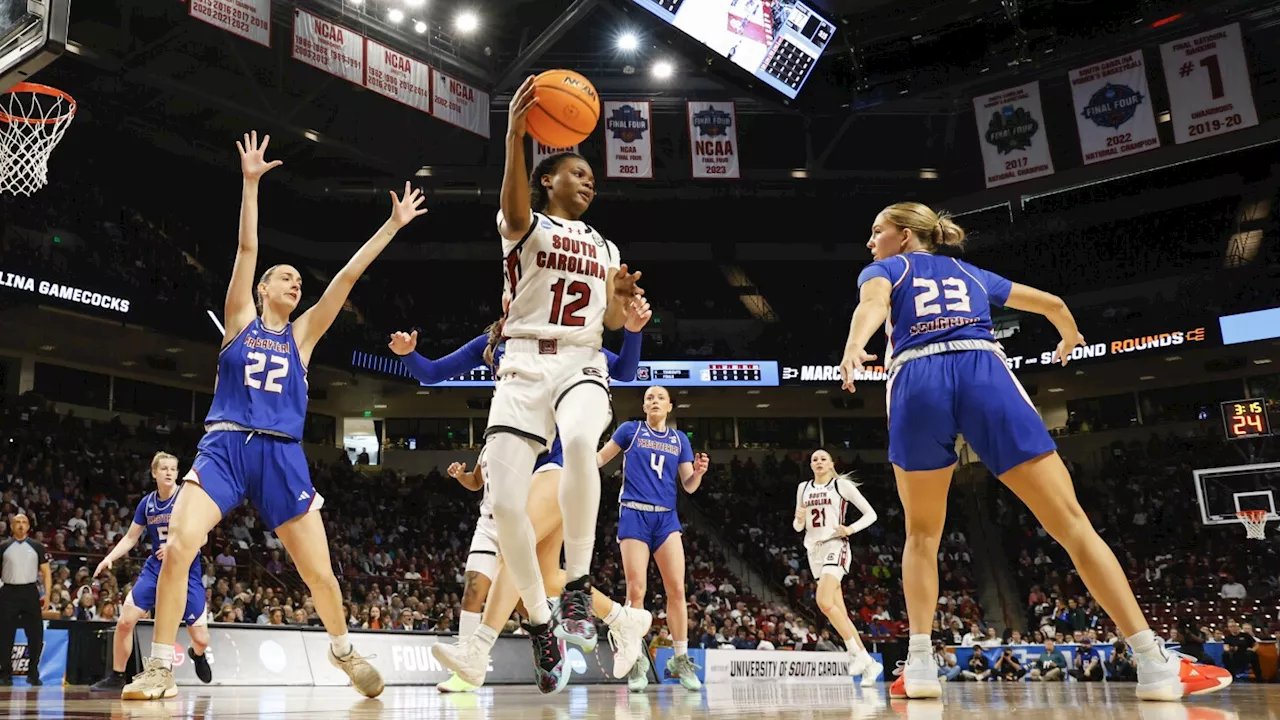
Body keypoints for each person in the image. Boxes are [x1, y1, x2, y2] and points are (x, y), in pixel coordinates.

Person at [838, 201, 1231, 701]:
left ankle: (918, 668)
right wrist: (1068, 337)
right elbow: (1053, 304)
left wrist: (855, 346)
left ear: (906, 236)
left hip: (916, 376)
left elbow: (871, 306)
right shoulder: (972, 272)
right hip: (984, 372)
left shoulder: (885, 269)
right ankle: (1153, 665)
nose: (871, 242)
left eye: (878, 231)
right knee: (1072, 524)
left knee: (921, 535)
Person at [122, 132, 428, 701]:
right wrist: (251, 183)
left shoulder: (303, 337)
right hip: (226, 447)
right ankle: (160, 665)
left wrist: (391, 226)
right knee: (180, 544)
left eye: (297, 281)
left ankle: (342, 649)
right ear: (264, 289)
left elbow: (345, 281)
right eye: (286, 278)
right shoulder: (239, 320)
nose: (296, 283)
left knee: (320, 573)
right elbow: (245, 252)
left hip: (282, 455)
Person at [388, 296, 650, 693]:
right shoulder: (493, 342)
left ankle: (477, 653)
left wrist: (632, 333)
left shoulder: (567, 335)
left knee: (516, 544)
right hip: (515, 462)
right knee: (546, 577)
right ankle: (623, 619)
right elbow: (433, 372)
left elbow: (626, 371)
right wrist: (409, 355)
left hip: (556, 462)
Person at [482, 75, 642, 693]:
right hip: (523, 363)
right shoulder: (524, 224)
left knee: (580, 443)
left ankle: (577, 583)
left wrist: (621, 304)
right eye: (577, 172)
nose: (589, 180)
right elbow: (516, 205)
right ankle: (542, 624)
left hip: (580, 359)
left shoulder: (606, 245)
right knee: (504, 509)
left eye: (592, 177)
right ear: (549, 179)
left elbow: (604, 322)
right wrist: (516, 139)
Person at [595, 386, 711, 691]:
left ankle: (680, 660)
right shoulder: (629, 430)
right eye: (649, 397)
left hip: (666, 517)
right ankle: (635, 661)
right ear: (644, 406)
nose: (654, 400)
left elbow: (689, 486)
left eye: (660, 397)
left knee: (676, 589)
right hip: (634, 513)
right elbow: (598, 459)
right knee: (636, 590)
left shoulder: (679, 439)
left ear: (670, 406)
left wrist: (698, 472)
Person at [90, 452, 211, 692]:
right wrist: (109, 558)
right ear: (154, 472)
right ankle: (116, 676)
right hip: (156, 569)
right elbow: (130, 537)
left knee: (201, 639)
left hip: (187, 569)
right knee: (125, 620)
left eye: (173, 469)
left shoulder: (187, 498)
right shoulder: (147, 503)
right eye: (164, 468)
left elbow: (203, 536)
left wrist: (177, 546)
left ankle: (197, 654)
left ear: (178, 473)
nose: (169, 472)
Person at [789, 449, 882, 687]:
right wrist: (799, 519)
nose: (818, 462)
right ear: (810, 465)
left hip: (835, 546)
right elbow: (798, 528)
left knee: (822, 601)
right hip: (814, 550)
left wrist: (849, 529)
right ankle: (868, 662)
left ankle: (856, 654)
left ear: (831, 464)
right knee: (837, 609)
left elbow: (871, 514)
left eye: (823, 458)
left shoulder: (841, 486)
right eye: (814, 459)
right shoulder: (803, 488)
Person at [0, 513, 51, 686]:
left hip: (30, 591)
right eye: (17, 522)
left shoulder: (37, 546)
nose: (21, 525)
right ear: (12, 526)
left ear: (29, 526)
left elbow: (46, 572)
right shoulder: (3, 546)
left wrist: (47, 594)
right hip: (8, 592)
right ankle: (5, 674)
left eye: (24, 522)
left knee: (36, 634)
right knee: (5, 635)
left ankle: (33, 672)